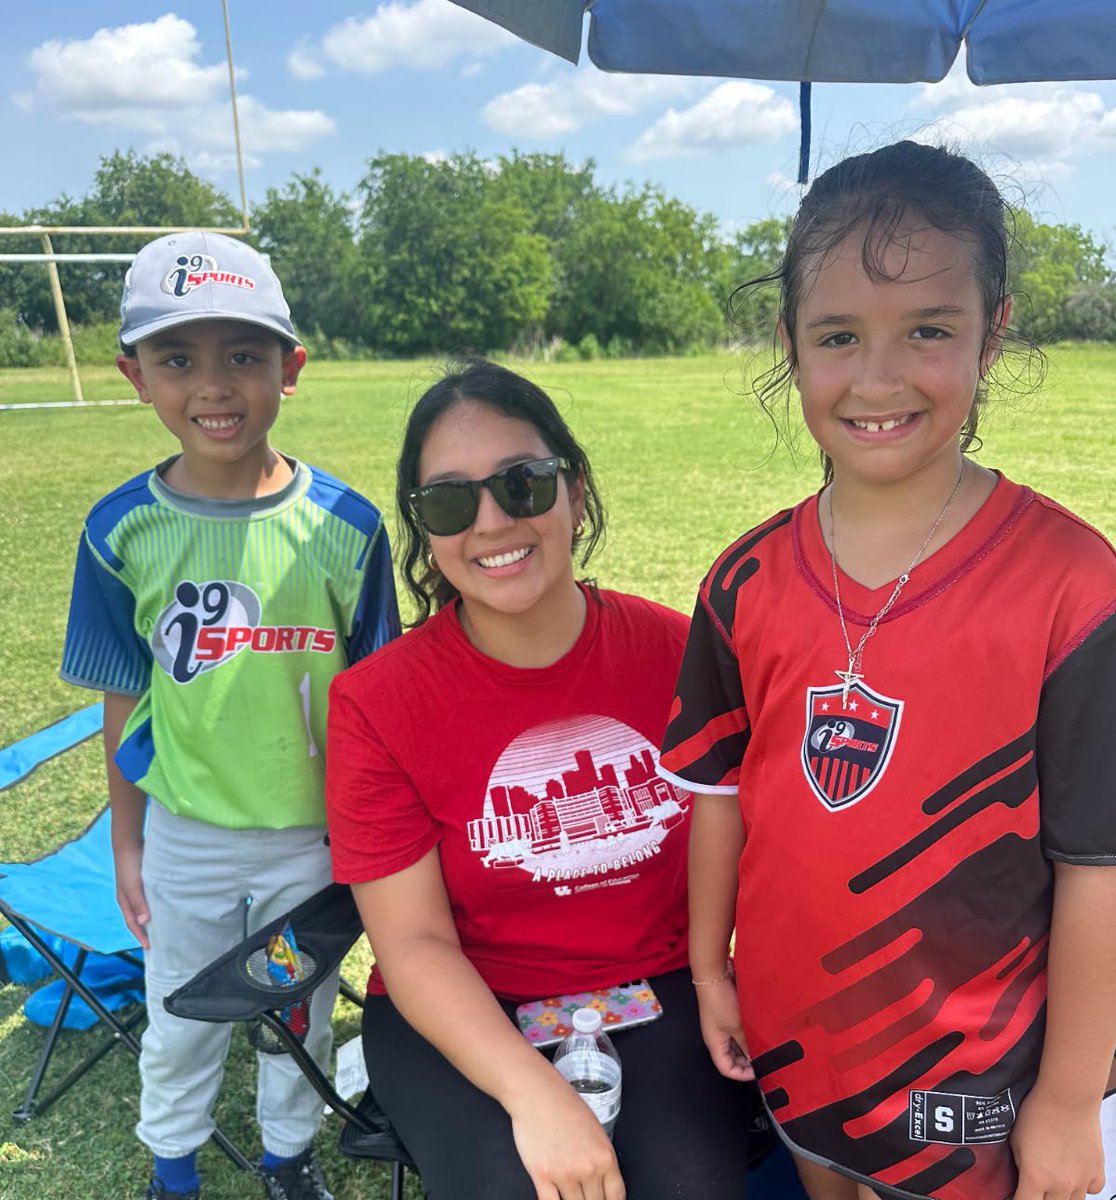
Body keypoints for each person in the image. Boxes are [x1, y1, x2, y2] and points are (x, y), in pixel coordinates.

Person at [659, 140, 1116, 1200]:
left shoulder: (1073, 588)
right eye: (838, 336)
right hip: (801, 1036)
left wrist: (1063, 1098)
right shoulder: (745, 580)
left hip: (981, 1072)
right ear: (790, 343)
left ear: (992, 331)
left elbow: (1099, 867)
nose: (877, 377)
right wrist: (709, 967)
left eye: (927, 330)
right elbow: (721, 794)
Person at [325, 360, 762, 1200]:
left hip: (661, 982)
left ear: (575, 488)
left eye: (522, 484)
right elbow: (412, 944)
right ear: (424, 527)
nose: (491, 523)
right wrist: (534, 1095)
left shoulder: (684, 656)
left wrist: (716, 977)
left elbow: (750, 837)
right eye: (450, 502)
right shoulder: (377, 703)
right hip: (468, 1001)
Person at [59, 232, 400, 1200]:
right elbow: (123, 697)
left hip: (313, 843)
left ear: (291, 368)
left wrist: (369, 841)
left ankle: (289, 1162)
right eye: (178, 359)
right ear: (134, 376)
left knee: (298, 1014)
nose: (214, 386)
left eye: (242, 355)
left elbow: (378, 701)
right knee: (184, 1015)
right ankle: (174, 1163)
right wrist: (127, 846)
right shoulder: (118, 526)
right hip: (187, 838)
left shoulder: (347, 524)